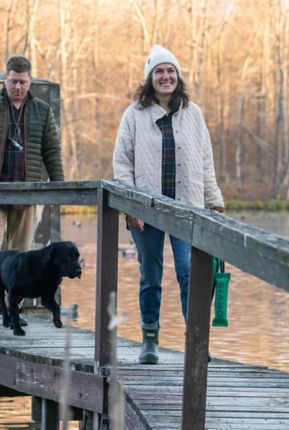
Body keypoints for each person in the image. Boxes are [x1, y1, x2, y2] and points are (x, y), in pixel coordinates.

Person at [112, 45, 224, 364]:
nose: (166, 76)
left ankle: (197, 342)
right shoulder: (134, 114)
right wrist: (130, 204)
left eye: (171, 71)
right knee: (151, 274)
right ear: (150, 78)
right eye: (159, 71)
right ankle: (150, 339)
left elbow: (205, 161)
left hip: (187, 209)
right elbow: (122, 162)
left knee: (191, 273)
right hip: (146, 210)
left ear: (178, 77)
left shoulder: (194, 113)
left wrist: (214, 201)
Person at [0, 55, 64, 324]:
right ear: (4, 79)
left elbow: (51, 150)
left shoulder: (42, 111)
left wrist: (60, 185)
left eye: (22, 81)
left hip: (26, 193)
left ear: (30, 80)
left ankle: (13, 309)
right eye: (12, 81)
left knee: (21, 256)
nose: (17, 86)